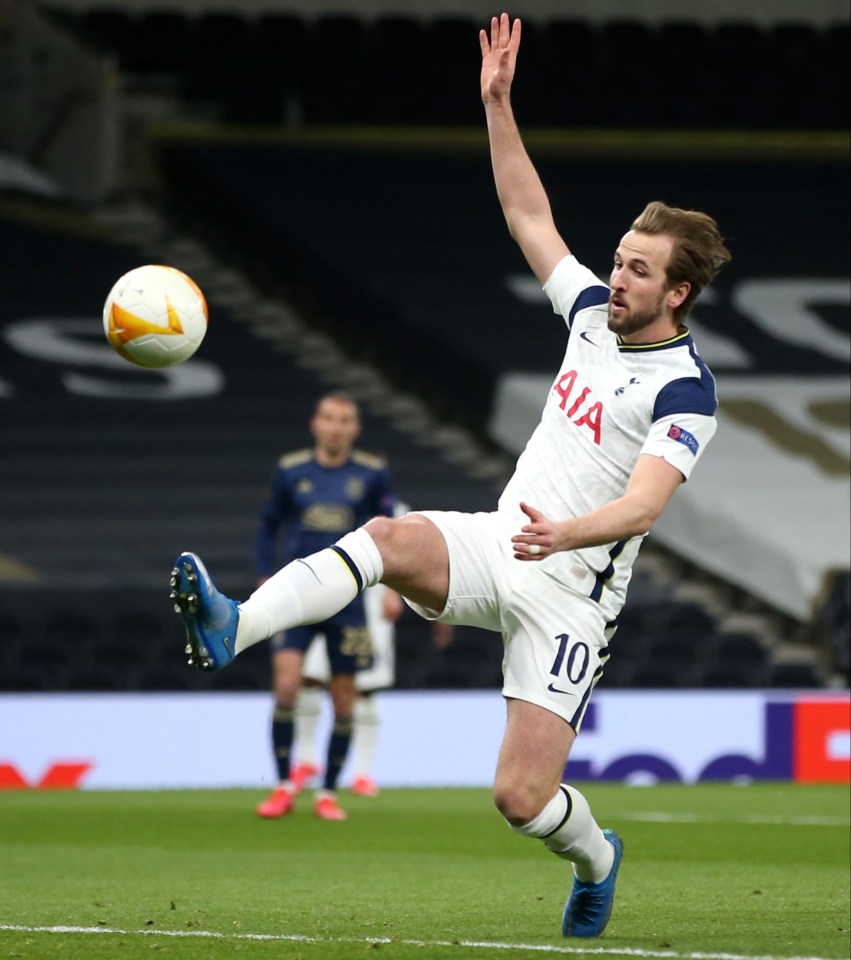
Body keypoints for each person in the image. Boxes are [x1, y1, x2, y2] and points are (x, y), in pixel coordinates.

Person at [170, 13, 731, 938]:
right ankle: (234, 628)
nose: (616, 275)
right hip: (502, 541)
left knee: (518, 798)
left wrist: (567, 533)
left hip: (570, 599)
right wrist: (498, 105)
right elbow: (526, 214)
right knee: (386, 540)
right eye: (620, 259)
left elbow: (641, 506)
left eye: (638, 269)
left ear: (677, 293)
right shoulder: (590, 314)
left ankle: (598, 856)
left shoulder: (686, 390)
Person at [252, 391, 397, 821]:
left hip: (348, 599)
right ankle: (283, 786)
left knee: (345, 701)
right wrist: (264, 574)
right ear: (316, 424)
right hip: (296, 595)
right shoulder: (291, 470)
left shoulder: (372, 474)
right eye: (329, 418)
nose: (336, 427)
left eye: (344, 420)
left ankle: (328, 793)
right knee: (286, 688)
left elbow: (389, 531)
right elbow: (267, 526)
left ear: (355, 429)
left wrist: (392, 588)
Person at [291, 582, 403, 798]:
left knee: (366, 686)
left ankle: (362, 773)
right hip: (322, 585)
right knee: (310, 675)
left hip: (371, 588)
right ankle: (306, 761)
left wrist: (393, 590)